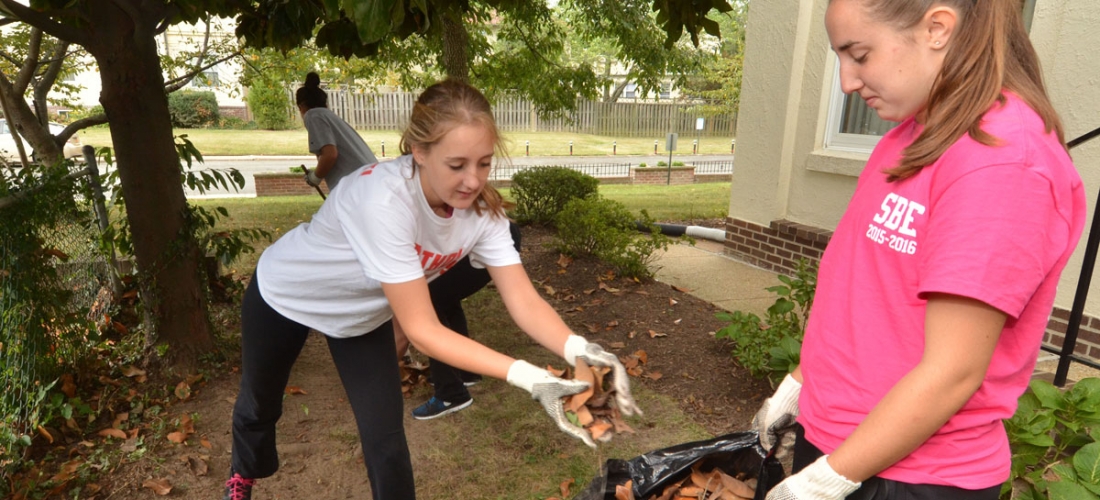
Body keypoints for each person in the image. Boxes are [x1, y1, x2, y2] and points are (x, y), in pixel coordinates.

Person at [223, 79, 641, 500]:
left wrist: (580, 350)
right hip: (285, 294)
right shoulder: (383, 199)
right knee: (260, 405)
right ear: (419, 152)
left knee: (385, 434)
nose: (473, 181)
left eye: (483, 163)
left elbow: (525, 302)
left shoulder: (482, 213)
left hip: (358, 319)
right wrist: (532, 378)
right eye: (457, 165)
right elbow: (422, 329)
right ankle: (243, 476)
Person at [753, 0, 1086, 499]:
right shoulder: (914, 135)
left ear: (937, 28)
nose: (846, 81)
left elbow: (953, 372)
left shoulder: (1003, 164)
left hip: (908, 477)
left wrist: (828, 481)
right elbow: (867, 292)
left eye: (859, 55)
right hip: (845, 447)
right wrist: (801, 383)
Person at [296, 72, 378, 190]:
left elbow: (330, 154)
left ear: (301, 106)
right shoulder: (328, 116)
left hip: (359, 185)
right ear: (325, 104)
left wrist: (315, 178)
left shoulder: (313, 115)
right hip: (369, 179)